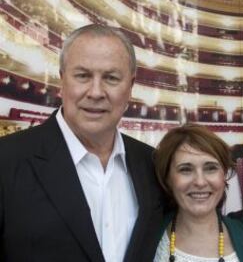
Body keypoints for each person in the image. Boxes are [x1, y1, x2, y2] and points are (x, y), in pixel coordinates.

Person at [0, 24, 164, 262]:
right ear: (62, 80)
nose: (96, 92)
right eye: (83, 76)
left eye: (111, 78)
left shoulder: (153, 166)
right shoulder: (6, 160)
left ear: (130, 86)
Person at [153, 124, 243, 262]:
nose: (200, 182)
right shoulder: (146, 237)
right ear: (167, 178)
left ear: (224, 175)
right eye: (185, 169)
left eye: (210, 168)